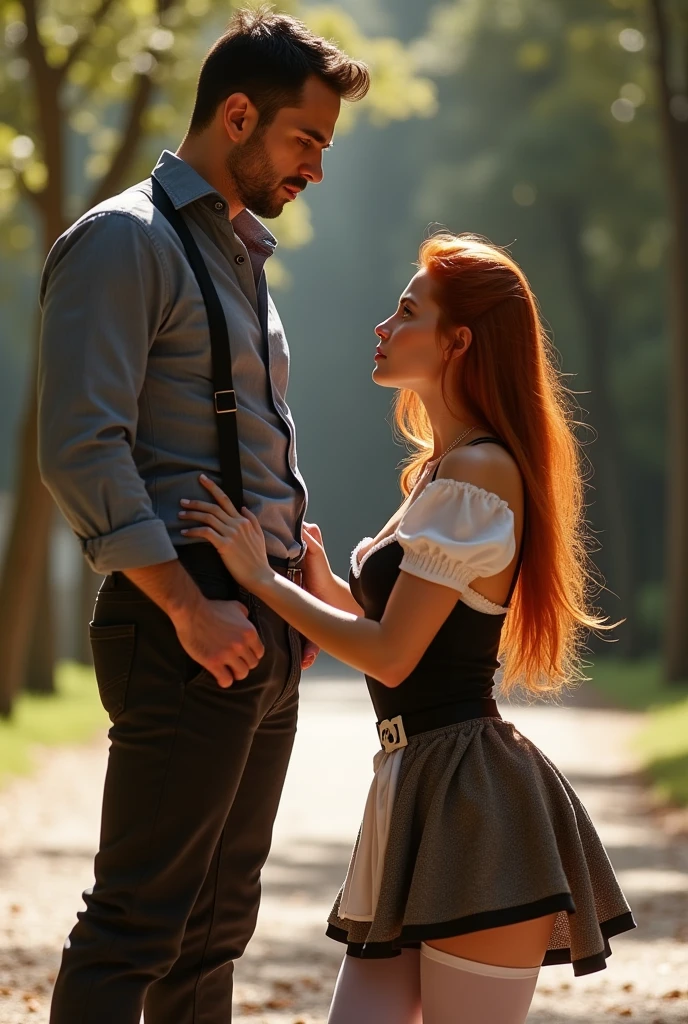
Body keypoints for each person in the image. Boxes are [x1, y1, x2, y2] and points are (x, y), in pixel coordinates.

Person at [176, 232, 636, 1024]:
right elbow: (397, 628)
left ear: (458, 341)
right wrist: (322, 582)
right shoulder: (440, 472)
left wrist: (259, 581)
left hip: (477, 808)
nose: (384, 326)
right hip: (418, 786)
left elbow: (392, 655)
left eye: (408, 311)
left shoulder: (480, 473)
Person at [37, 9, 369, 1023]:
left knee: (214, 930)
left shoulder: (238, 254)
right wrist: (189, 605)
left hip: (255, 629)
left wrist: (284, 600)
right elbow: (81, 447)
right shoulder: (120, 242)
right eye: (304, 138)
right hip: (183, 622)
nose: (314, 165)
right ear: (236, 115)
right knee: (138, 923)